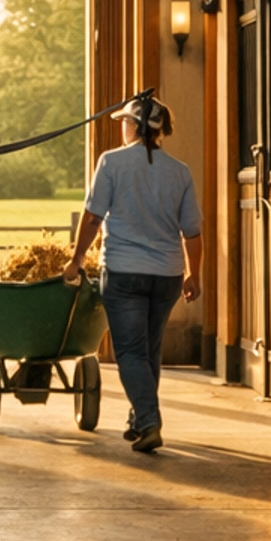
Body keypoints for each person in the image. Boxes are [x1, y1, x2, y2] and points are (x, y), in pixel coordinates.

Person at [63, 92, 202, 454]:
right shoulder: (180, 171)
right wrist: (193, 274)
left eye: (125, 121)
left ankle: (149, 420)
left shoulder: (111, 163)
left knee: (129, 352)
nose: (121, 128)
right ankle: (140, 421)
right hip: (167, 275)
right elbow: (193, 232)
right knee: (149, 351)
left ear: (135, 126)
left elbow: (93, 217)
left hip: (124, 273)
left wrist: (76, 259)